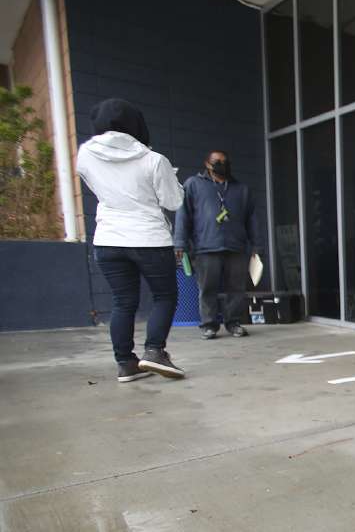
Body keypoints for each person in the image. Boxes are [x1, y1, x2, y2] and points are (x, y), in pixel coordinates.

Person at [78, 99, 186, 382]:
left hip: (108, 238)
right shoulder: (154, 160)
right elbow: (173, 201)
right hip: (149, 238)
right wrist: (173, 182)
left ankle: (126, 363)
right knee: (164, 296)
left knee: (123, 301)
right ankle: (154, 351)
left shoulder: (85, 154)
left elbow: (96, 187)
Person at [174, 150, 262, 339]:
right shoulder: (194, 184)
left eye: (225, 161)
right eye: (217, 161)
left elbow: (252, 219)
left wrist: (256, 245)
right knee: (207, 289)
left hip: (236, 246)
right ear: (207, 164)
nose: (222, 164)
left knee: (236, 289)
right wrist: (180, 243)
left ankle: (233, 323)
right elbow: (183, 215)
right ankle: (209, 325)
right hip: (206, 246)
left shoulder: (241, 189)